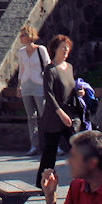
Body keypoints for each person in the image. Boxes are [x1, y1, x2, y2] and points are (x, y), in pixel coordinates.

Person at [37, 35, 78, 181]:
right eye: (62, 47)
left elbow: (70, 88)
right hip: (54, 116)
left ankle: (83, 179)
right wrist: (60, 113)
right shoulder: (50, 69)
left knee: (78, 148)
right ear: (55, 49)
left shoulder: (70, 67)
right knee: (50, 153)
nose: (66, 50)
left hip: (69, 115)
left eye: (67, 47)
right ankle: (41, 183)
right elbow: (49, 94)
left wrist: (79, 92)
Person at [16, 26, 52, 157]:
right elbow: (21, 69)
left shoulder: (40, 49)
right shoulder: (21, 52)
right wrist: (19, 85)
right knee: (31, 117)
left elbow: (48, 66)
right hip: (26, 84)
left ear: (29, 36)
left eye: (23, 35)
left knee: (45, 115)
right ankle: (34, 145)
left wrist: (49, 84)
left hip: (39, 84)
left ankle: (52, 144)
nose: (21, 38)